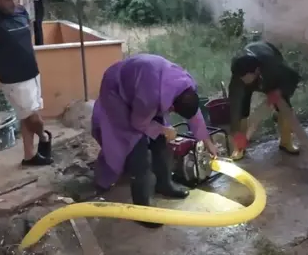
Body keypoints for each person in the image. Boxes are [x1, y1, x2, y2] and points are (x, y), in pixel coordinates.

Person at [91, 54, 218, 228]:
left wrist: (208, 142)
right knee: (137, 152)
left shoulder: (185, 87)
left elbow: (194, 114)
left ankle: (164, 184)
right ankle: (142, 210)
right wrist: (161, 129)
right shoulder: (150, 96)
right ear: (172, 107)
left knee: (161, 141)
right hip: (117, 92)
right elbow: (138, 123)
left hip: (145, 83)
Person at [0, 0, 53, 166]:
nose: (13, 2)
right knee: (32, 117)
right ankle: (44, 137)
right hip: (14, 77)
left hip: (32, 71)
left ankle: (29, 156)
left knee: (25, 115)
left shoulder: (22, 12)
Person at [228, 41, 301, 160]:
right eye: (241, 78)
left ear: (256, 71)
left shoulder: (272, 65)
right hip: (254, 69)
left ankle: (286, 142)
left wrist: (279, 92)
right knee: (241, 109)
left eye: (246, 78)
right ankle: (239, 148)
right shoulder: (238, 74)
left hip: (271, 72)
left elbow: (292, 78)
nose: (243, 81)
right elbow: (234, 106)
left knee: (284, 107)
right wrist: (236, 134)